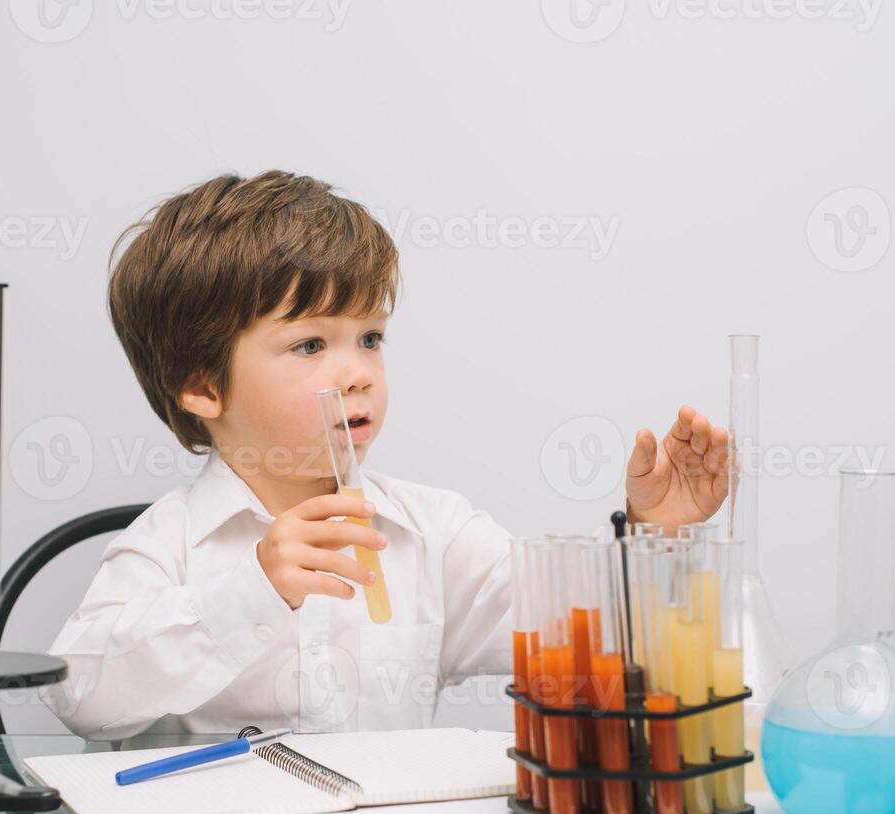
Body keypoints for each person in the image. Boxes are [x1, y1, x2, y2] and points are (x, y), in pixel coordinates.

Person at [41, 171, 729, 742]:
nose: (357, 373)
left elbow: (571, 627)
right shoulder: (173, 542)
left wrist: (654, 538)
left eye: (369, 338)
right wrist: (252, 592)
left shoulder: (431, 534)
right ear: (201, 385)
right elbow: (80, 694)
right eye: (311, 346)